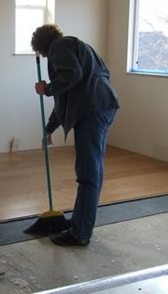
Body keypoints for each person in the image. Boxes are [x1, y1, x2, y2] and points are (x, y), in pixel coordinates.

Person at [31, 24, 120, 246]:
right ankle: (80, 222)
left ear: (43, 46)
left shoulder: (59, 47)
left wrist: (47, 89)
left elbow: (72, 76)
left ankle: (80, 232)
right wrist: (50, 127)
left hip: (92, 110)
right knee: (93, 171)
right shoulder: (76, 46)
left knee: (88, 174)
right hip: (102, 105)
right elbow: (66, 94)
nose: (45, 57)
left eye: (42, 53)